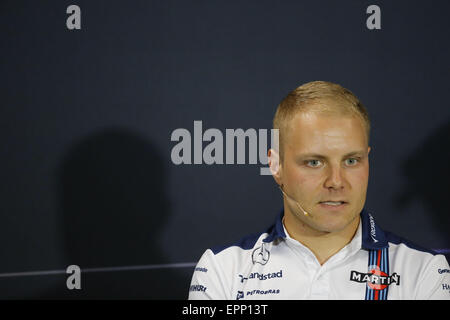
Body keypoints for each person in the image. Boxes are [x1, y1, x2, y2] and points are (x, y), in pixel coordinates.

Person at [188, 81, 450, 300]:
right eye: (314, 162)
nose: (336, 181)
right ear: (276, 165)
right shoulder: (223, 271)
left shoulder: (423, 272)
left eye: (351, 161)